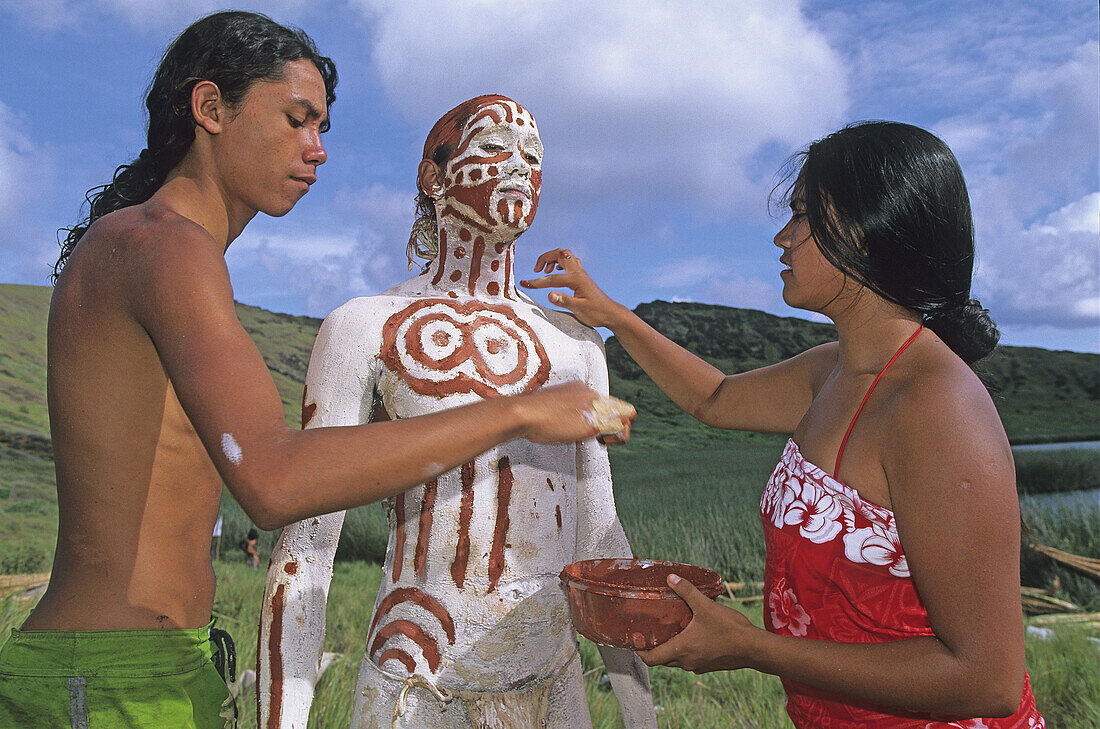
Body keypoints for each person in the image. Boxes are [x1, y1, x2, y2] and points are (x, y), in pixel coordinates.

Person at [0, 14, 619, 729]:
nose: (317, 151)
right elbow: (272, 477)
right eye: (297, 120)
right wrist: (515, 412)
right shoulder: (163, 247)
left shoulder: (163, 249)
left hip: (161, 663)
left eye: (322, 127)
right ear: (210, 109)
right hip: (110, 678)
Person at [523, 121, 1045, 727]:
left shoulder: (936, 408)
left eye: (802, 214)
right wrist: (610, 313)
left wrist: (752, 648)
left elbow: (988, 680)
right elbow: (715, 398)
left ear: (868, 232)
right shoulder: (835, 371)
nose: (782, 237)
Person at [258, 94, 656, 729]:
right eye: (495, 146)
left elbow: (600, 537)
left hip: (553, 677)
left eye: (534, 156)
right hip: (414, 672)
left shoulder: (578, 347)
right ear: (435, 176)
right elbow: (306, 545)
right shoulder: (365, 328)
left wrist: (640, 715)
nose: (520, 167)